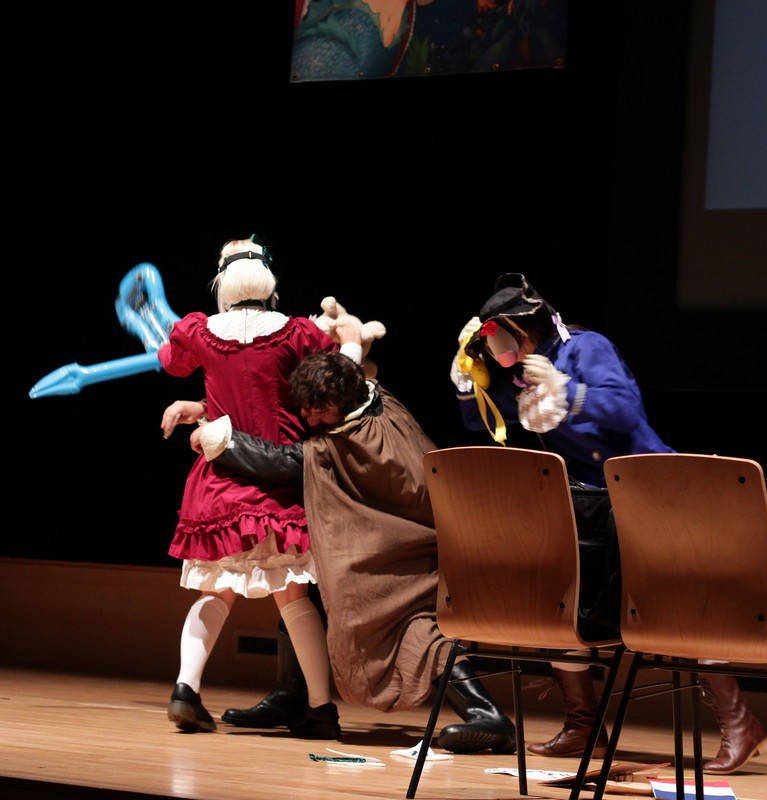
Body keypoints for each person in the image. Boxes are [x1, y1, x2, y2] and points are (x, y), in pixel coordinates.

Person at [450, 273, 767, 774]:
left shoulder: (585, 348)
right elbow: (485, 424)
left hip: (649, 492)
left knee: (681, 604)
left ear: (521, 328)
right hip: (589, 503)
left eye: (498, 338)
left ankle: (740, 724)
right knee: (559, 601)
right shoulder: (521, 374)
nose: (495, 350)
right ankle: (584, 725)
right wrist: (468, 383)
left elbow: (624, 409)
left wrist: (566, 390)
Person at [172, 350, 517, 754]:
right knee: (301, 587)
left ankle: (489, 716)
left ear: (344, 401)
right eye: (305, 408)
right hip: (420, 534)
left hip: (411, 547)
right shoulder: (379, 398)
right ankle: (292, 694)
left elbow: (286, 463)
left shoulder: (351, 440)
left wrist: (221, 439)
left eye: (318, 411)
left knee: (408, 626)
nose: (308, 418)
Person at [154, 236, 360, 739]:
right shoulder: (297, 334)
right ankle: (320, 708)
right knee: (292, 597)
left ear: (222, 280)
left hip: (221, 480)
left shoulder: (201, 332)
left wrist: (198, 402)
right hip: (276, 480)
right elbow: (338, 377)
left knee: (215, 591)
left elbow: (173, 362)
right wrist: (352, 339)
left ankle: (185, 689)